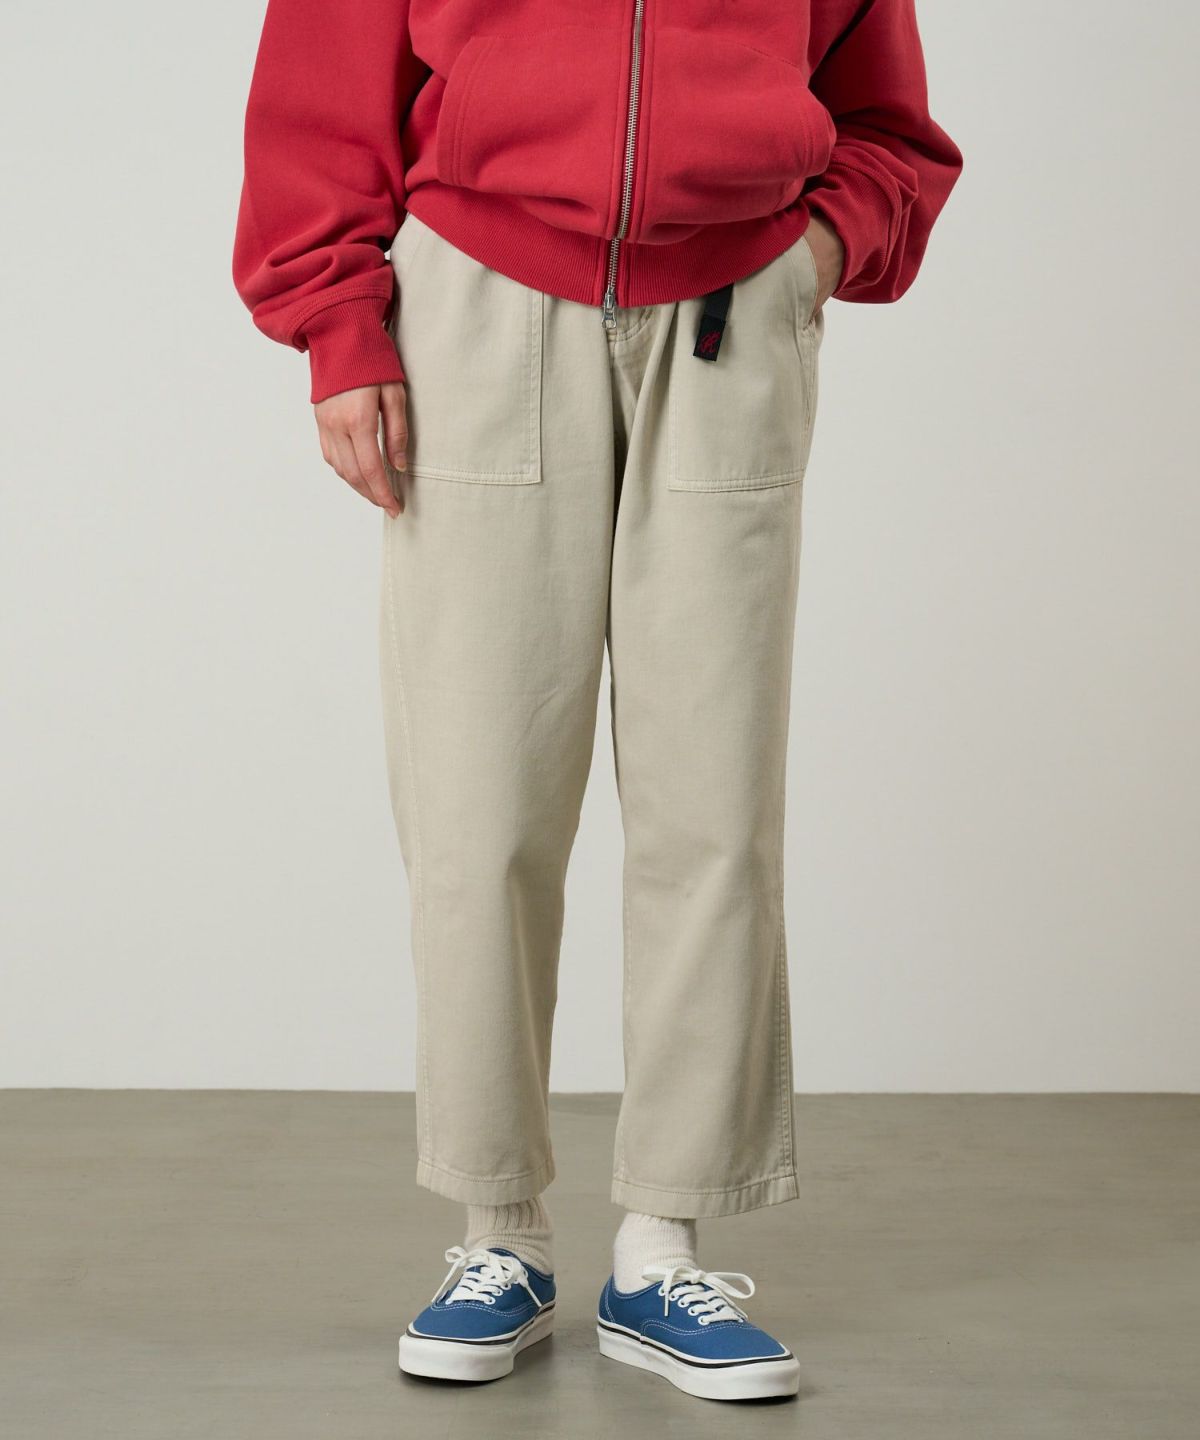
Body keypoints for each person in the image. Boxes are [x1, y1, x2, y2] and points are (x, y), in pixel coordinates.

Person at [234, 0, 961, 1402]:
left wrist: (816, 255)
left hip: (732, 315)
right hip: (477, 310)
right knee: (480, 805)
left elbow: (889, 127)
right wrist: (338, 326)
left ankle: (662, 1244)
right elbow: (320, 93)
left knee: (713, 807)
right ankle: (496, 1233)